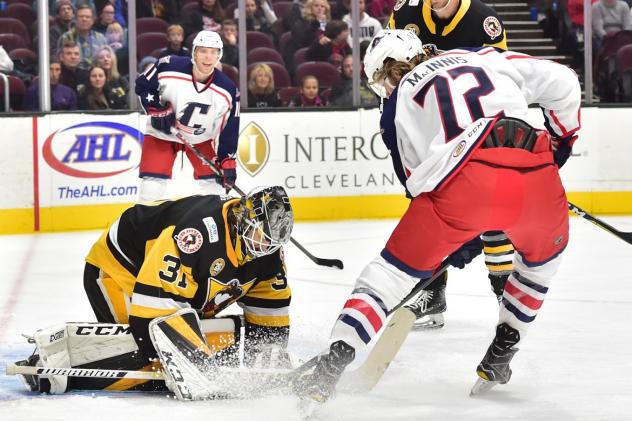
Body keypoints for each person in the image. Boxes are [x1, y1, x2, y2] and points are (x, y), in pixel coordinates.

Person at [293, 29, 580, 403]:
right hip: (536, 169)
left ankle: (335, 359)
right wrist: (559, 146)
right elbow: (565, 82)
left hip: (462, 183)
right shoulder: (482, 55)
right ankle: (506, 345)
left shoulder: (395, 107)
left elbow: (418, 186)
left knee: (388, 275)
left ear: (387, 75)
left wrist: (454, 240)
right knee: (540, 265)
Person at [15, 186, 294, 395]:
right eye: (261, 235)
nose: (265, 247)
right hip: (120, 271)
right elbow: (151, 318)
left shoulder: (267, 254)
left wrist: (269, 369)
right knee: (154, 361)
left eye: (272, 242)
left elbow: (270, 313)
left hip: (174, 287)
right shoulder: (194, 238)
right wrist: (196, 369)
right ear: (243, 218)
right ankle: (56, 374)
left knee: (222, 344)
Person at [387, 0, 510, 329]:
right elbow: (389, 72)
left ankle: (505, 296)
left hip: (478, 130)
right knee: (433, 215)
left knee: (495, 214)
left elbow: (500, 83)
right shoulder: (405, 15)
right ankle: (433, 292)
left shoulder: (484, 21)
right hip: (429, 133)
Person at [134, 30, 239, 202]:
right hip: (162, 133)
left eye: (213, 52)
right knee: (152, 185)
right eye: (203, 51)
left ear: (219, 56)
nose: (208, 57)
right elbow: (143, 85)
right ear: (194, 53)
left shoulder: (227, 90)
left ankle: (217, 224)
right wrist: (156, 109)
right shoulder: (168, 66)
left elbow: (229, 127)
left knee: (215, 187)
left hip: (202, 138)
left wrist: (227, 160)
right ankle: (144, 225)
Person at [387, 0, 507, 51]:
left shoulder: (486, 21)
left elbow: (498, 73)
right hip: (417, 98)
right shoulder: (404, 12)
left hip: (465, 99)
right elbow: (384, 56)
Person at [58, 4, 109, 70]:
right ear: (75, 19)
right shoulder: (66, 37)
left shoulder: (101, 38)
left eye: (87, 17)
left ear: (92, 21)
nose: (84, 19)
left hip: (96, 76)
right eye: (81, 16)